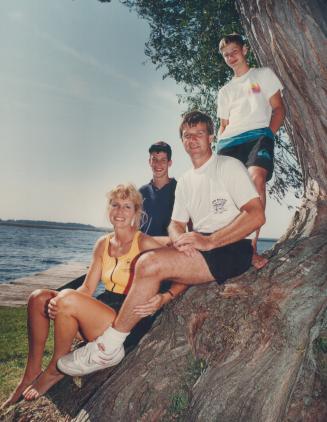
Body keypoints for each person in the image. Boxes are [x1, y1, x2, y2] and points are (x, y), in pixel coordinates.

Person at [57, 110, 265, 377]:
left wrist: (209, 241)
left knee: (149, 263)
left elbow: (256, 214)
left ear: (211, 137)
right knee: (152, 259)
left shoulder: (228, 166)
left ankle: (108, 347)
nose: (193, 140)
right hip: (202, 248)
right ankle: (124, 327)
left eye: (199, 133)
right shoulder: (187, 181)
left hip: (231, 248)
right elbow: (175, 224)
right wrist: (181, 239)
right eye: (187, 135)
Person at [2, 183, 187, 406]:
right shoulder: (103, 243)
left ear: (136, 213)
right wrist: (61, 302)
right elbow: (88, 288)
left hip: (127, 319)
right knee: (38, 298)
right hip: (103, 307)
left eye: (126, 206)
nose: (119, 211)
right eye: (115, 205)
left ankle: (55, 369)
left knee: (67, 299)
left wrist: (167, 296)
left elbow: (184, 268)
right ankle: (30, 374)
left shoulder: (145, 243)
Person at [215, 33, 285, 269]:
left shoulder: (262, 75)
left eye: (234, 52)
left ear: (245, 50)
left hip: (258, 136)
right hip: (228, 143)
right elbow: (223, 126)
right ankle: (223, 250)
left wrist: (268, 135)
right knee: (227, 197)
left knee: (256, 182)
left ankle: (250, 250)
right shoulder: (224, 91)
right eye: (226, 55)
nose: (231, 57)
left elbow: (278, 110)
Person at [139, 141, 177, 236]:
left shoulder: (180, 189)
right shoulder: (140, 193)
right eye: (154, 160)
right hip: (144, 248)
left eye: (163, 160)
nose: (158, 164)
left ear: (170, 163)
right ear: (149, 162)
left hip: (170, 248)